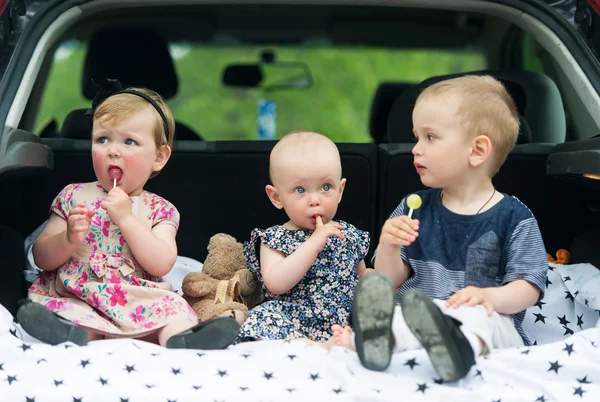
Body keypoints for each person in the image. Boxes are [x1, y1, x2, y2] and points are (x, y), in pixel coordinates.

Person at [331, 75, 548, 382]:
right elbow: (389, 281)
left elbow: (529, 286)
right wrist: (390, 247)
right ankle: (377, 343)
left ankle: (457, 350)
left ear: (477, 150)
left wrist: (490, 298)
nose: (416, 149)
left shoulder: (514, 218)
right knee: (400, 314)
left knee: (479, 317)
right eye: (416, 137)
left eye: (430, 137)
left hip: (491, 332)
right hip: (424, 320)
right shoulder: (414, 205)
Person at [17, 80, 239, 349]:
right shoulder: (73, 195)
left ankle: (184, 340)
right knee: (71, 311)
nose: (113, 150)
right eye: (102, 139)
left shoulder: (159, 209)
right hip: (79, 293)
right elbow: (42, 258)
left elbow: (161, 263)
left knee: (172, 309)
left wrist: (126, 218)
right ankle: (71, 334)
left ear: (158, 157)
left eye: (130, 141)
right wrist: (68, 238)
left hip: (137, 298)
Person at [237, 131, 371, 344]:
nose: (315, 200)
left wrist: (379, 280)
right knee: (262, 317)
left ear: (340, 190)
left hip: (344, 317)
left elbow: (361, 273)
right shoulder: (275, 238)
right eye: (300, 190)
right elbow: (276, 283)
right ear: (277, 197)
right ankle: (312, 347)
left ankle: (347, 341)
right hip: (294, 318)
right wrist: (313, 244)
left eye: (326, 187)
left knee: (379, 317)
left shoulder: (347, 234)